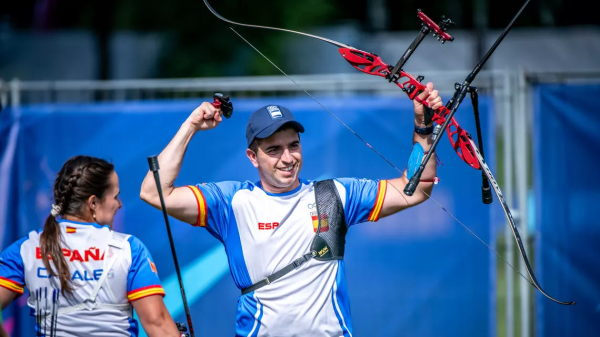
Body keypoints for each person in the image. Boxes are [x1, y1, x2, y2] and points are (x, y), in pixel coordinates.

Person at [140, 83, 443, 336]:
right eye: (273, 149)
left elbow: (415, 189)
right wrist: (191, 126)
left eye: (293, 145)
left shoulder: (332, 195)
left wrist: (424, 125)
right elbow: (153, 192)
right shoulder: (231, 202)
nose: (287, 158)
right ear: (252, 157)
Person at [0, 155, 182, 336]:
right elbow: (157, 323)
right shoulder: (128, 248)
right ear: (93, 203)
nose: (119, 204)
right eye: (116, 196)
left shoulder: (27, 248)